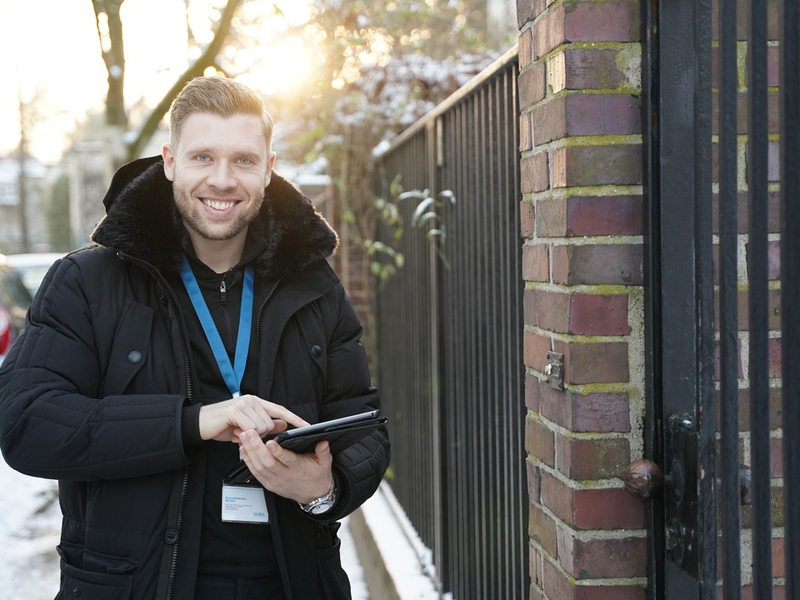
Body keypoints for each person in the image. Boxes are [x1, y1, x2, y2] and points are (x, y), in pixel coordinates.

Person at [0, 76, 390, 599]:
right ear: (169, 162)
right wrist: (193, 421)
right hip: (132, 588)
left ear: (268, 169)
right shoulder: (86, 282)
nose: (223, 180)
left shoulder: (315, 286)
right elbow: (27, 423)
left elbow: (364, 427)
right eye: (202, 157)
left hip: (292, 584)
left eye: (244, 161)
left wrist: (323, 488)